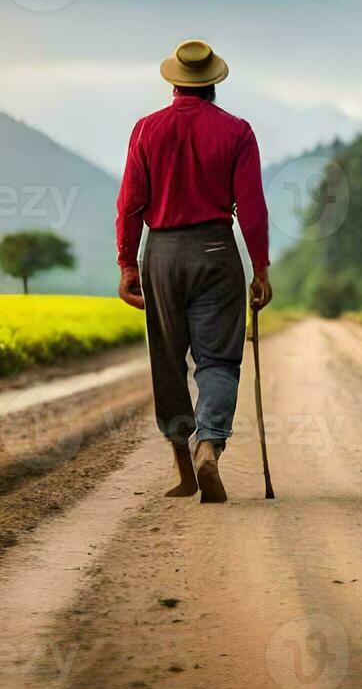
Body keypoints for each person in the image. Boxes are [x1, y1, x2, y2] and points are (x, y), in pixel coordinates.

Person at [115, 40, 272, 504]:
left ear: (173, 82)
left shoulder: (146, 129)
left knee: (168, 362)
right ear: (214, 86)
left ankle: (185, 471)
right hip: (216, 249)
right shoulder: (237, 132)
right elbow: (254, 211)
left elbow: (130, 205)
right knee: (219, 359)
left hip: (161, 252)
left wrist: (127, 264)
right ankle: (210, 445)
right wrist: (260, 268)